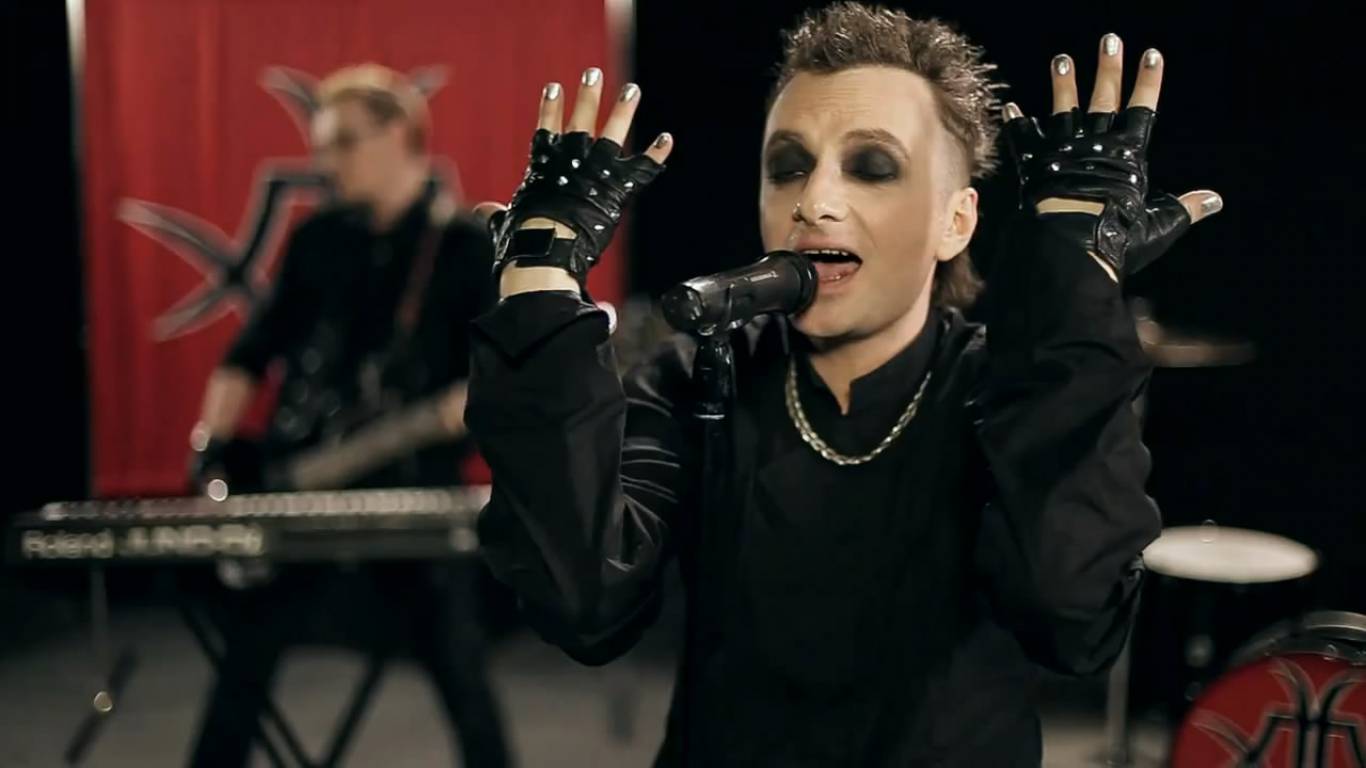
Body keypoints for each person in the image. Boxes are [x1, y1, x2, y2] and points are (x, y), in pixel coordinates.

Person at [466, 3, 1223, 765]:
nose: (814, 201)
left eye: (872, 167)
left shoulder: (1016, 388)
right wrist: (539, 278)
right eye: (788, 166)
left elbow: (1073, 620)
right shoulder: (697, 378)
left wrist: (1074, 289)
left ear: (956, 222)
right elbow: (582, 604)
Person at [186, 64, 511, 767]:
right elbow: (250, 354)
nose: (327, 163)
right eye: (322, 146)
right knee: (241, 672)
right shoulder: (319, 239)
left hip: (413, 501)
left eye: (342, 143)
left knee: (463, 675)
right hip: (298, 487)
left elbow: (499, 382)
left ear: (399, 134)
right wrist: (209, 449)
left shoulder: (465, 247)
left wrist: (471, 408)